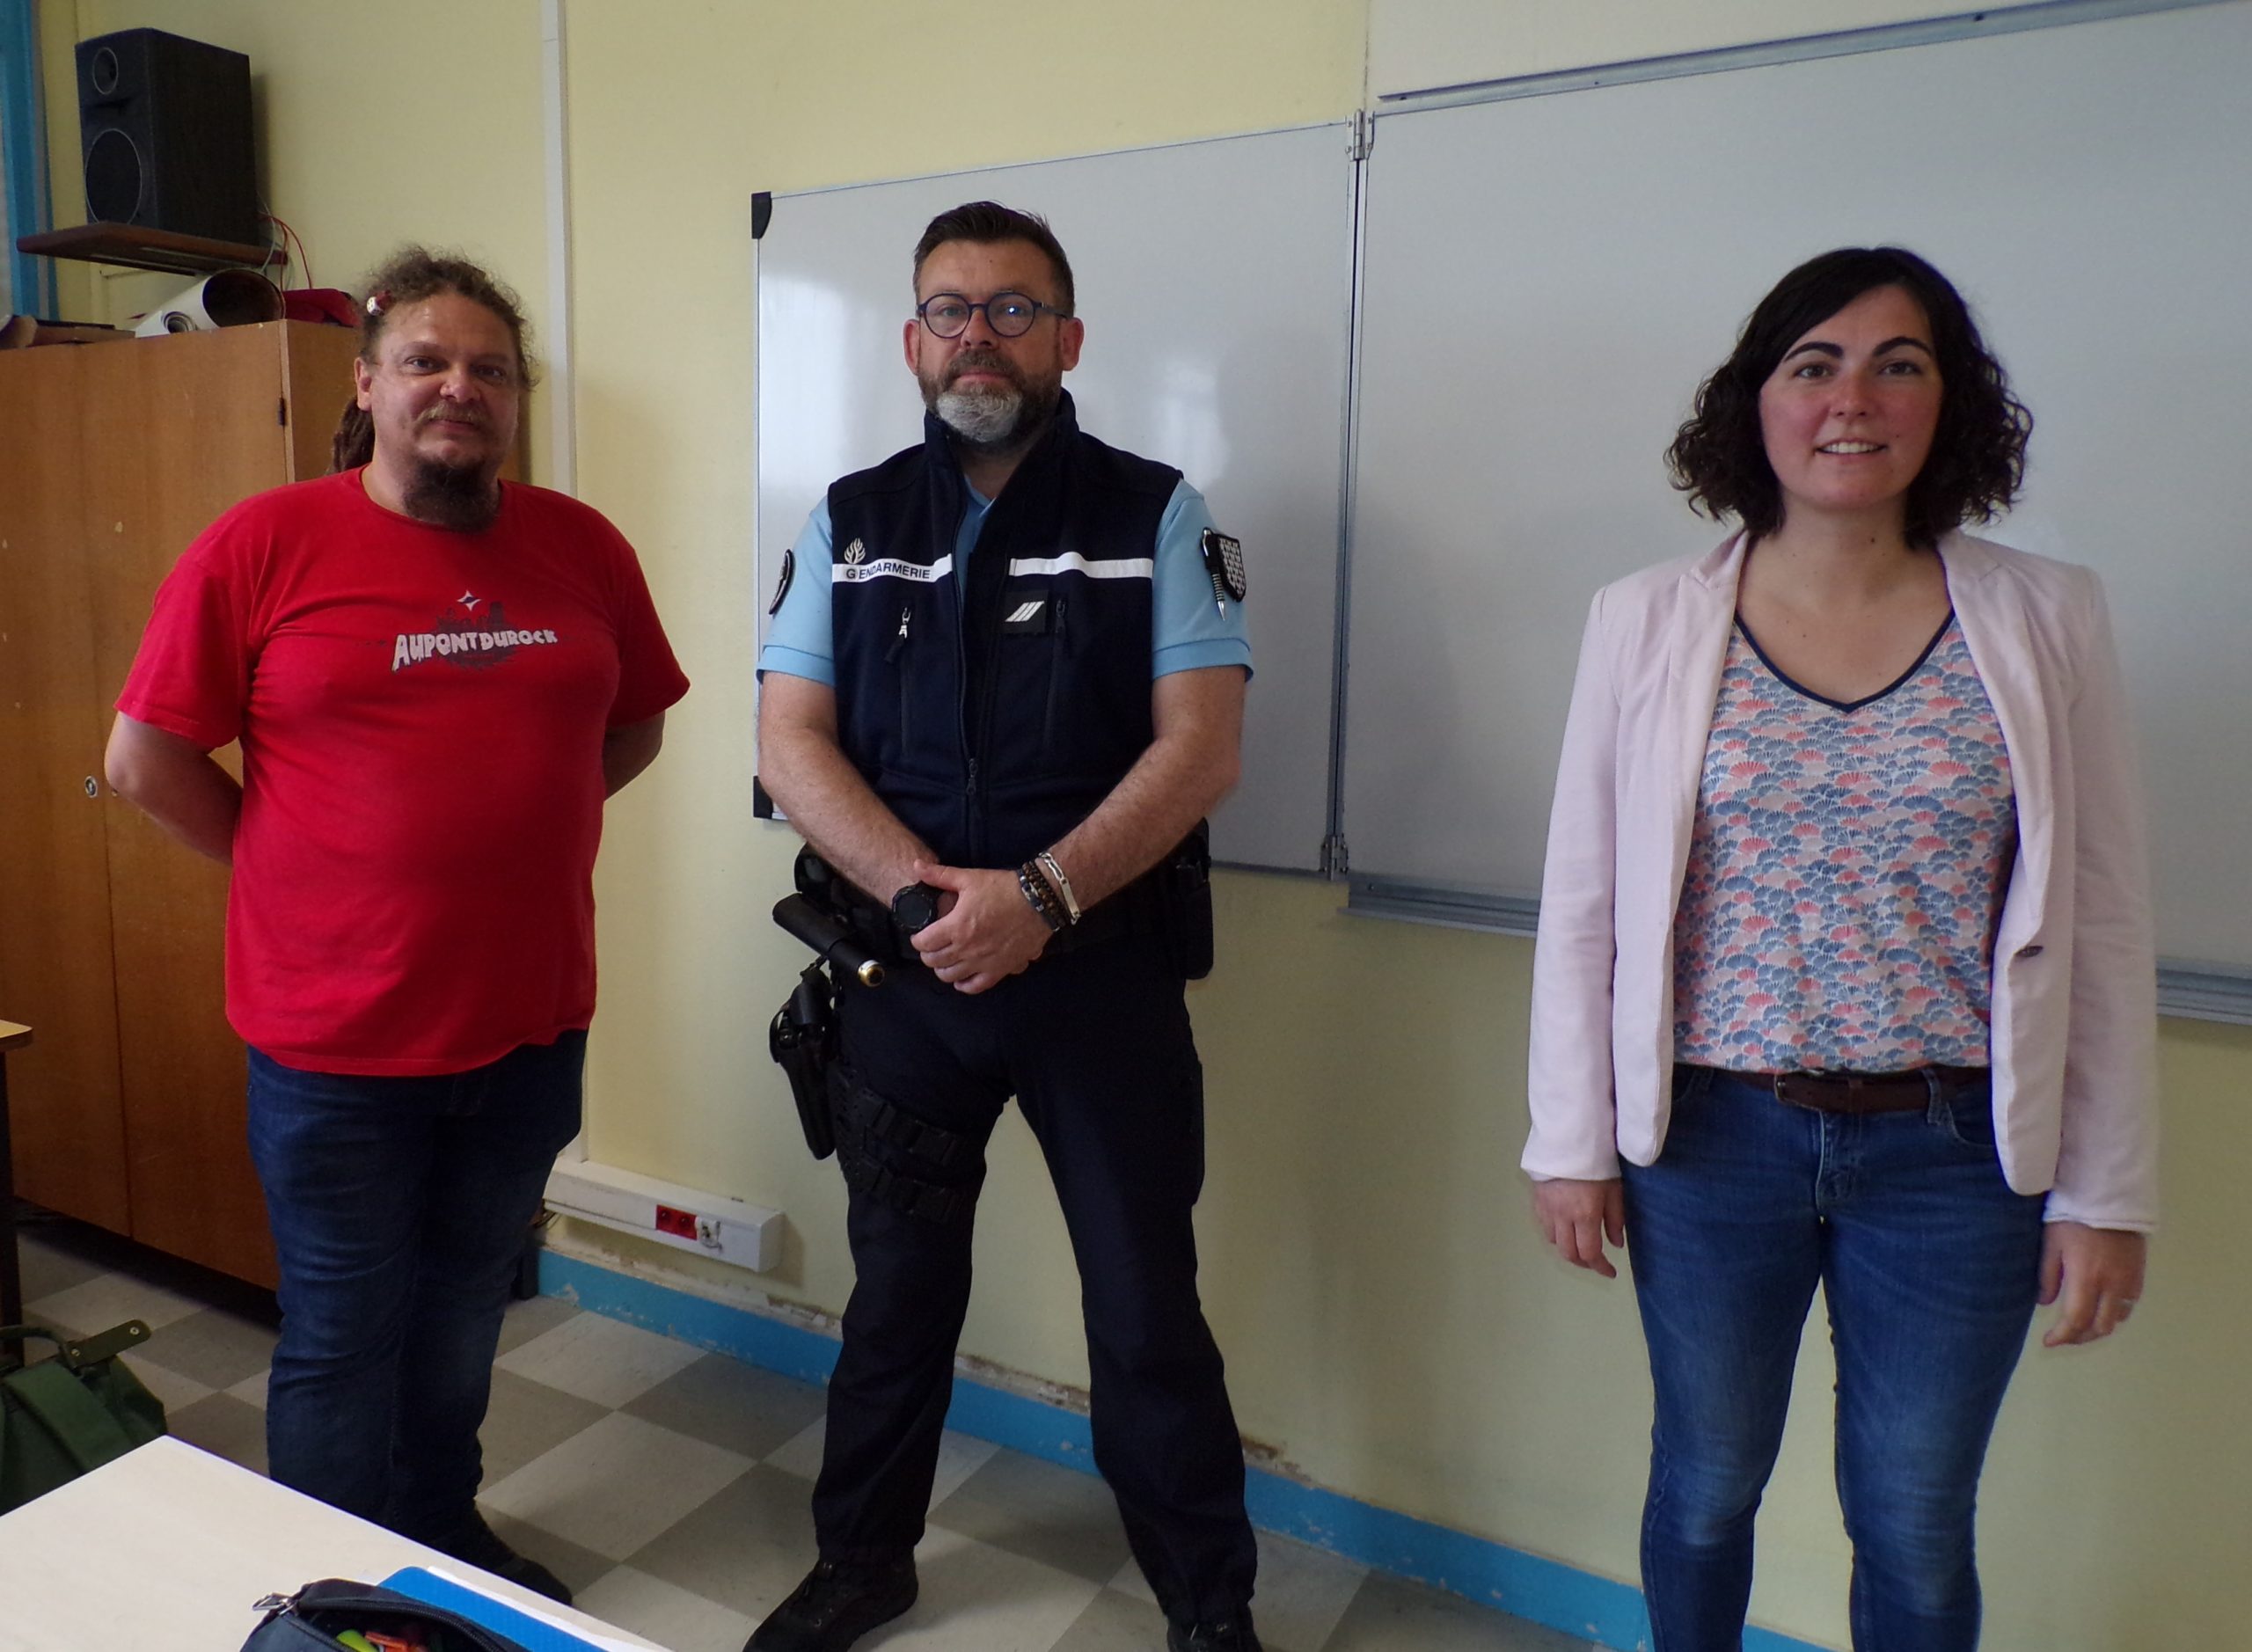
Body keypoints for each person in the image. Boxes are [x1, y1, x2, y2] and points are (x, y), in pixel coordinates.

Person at [1522, 246, 2155, 1651]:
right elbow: (1586, 902)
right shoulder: (1646, 618)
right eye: (1814, 365)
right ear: (1758, 400)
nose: (1851, 399)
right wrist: (1567, 1139)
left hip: (1956, 1155)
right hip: (1711, 1141)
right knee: (1705, 1488)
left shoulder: (2047, 616)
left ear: (1950, 401)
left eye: (1898, 365)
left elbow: (2103, 915)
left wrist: (2107, 1189)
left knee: (1915, 1520)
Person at [105, 247, 689, 1605]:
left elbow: (635, 722)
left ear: (517, 398)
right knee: (342, 1336)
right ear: (367, 385)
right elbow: (145, 758)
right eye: (425, 360)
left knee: (463, 1315)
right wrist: (290, 858)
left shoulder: (583, 546)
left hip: (529, 1026)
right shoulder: (263, 544)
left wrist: (514, 827)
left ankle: (439, 1533)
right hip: (335, 1048)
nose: (459, 386)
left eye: (490, 368)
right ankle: (331, 1597)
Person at [752, 201, 1260, 1652]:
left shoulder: (1154, 511)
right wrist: (934, 902)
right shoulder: (850, 519)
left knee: (1146, 1314)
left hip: (1099, 980)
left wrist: (1036, 899)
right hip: (906, 981)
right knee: (896, 1301)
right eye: (951, 309)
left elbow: (1201, 747)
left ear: (1068, 338)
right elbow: (790, 741)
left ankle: (1208, 1608)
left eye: (1014, 308)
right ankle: (862, 1563)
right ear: (912, 341)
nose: (980, 334)